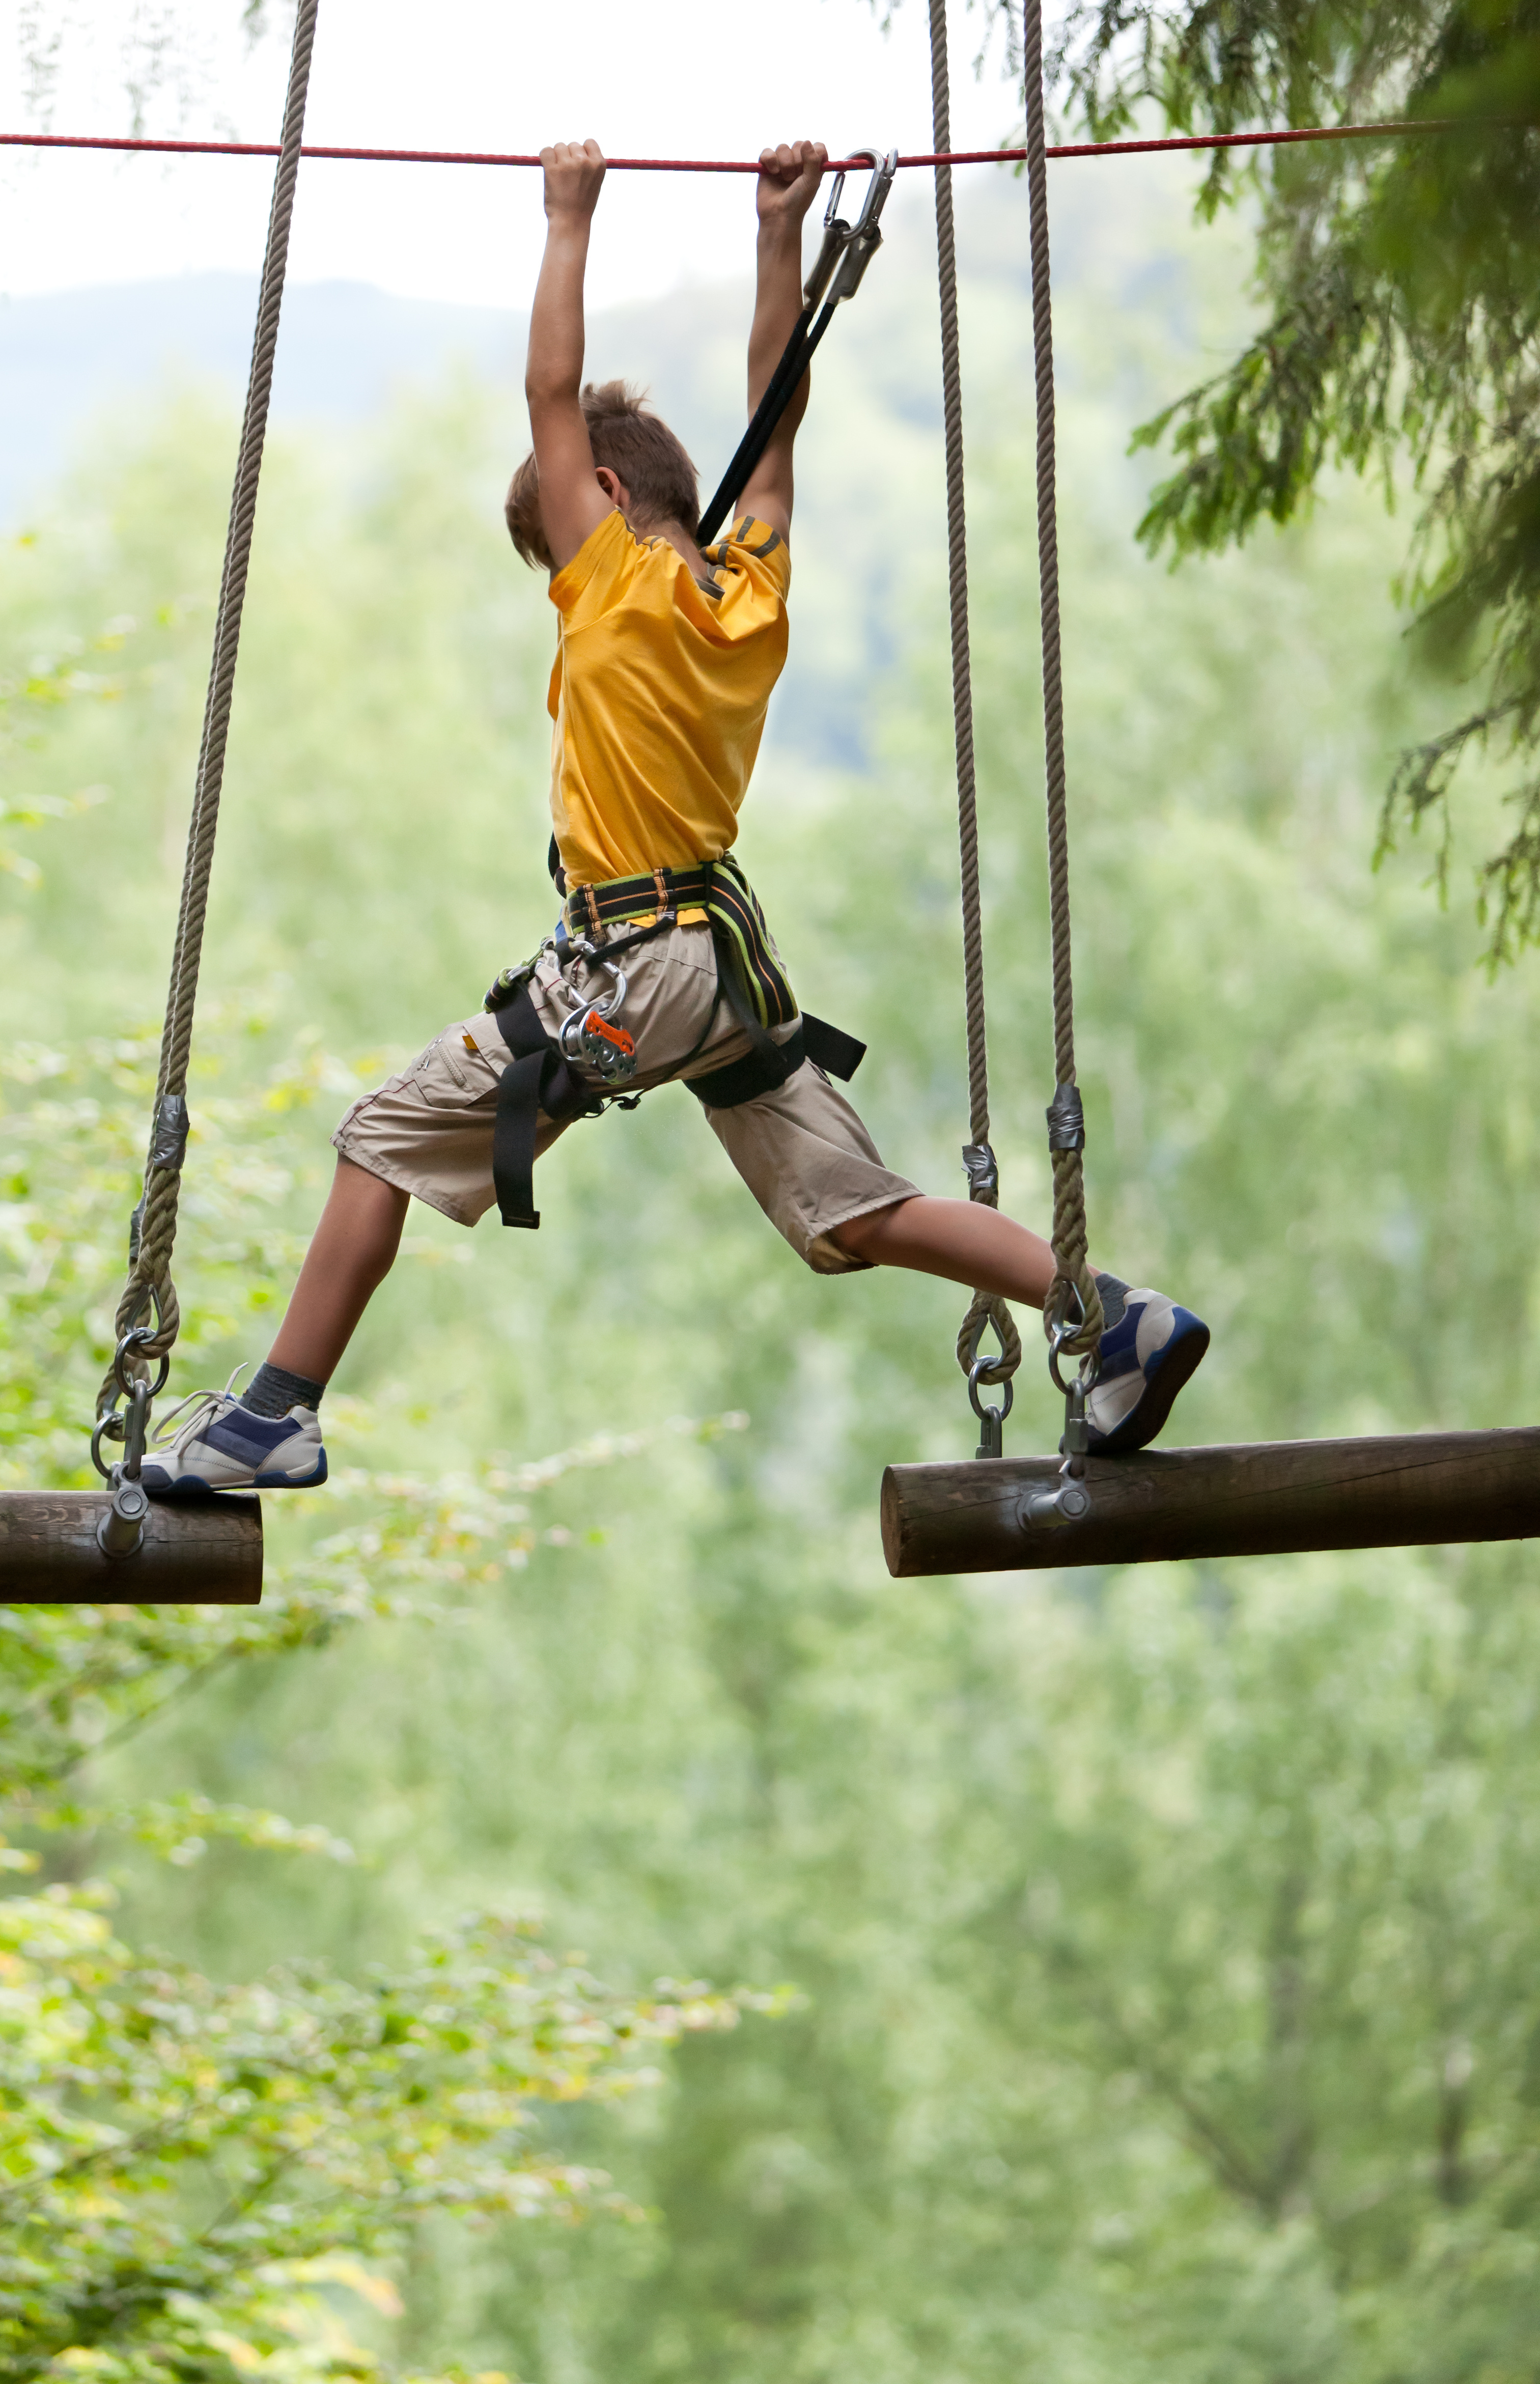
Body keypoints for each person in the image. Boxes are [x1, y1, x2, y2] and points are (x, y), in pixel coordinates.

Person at [141, 138, 1208, 1498]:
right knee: (850, 1214)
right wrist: (780, 239)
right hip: (721, 968)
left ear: (602, 502)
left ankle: (275, 1412)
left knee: (380, 1137)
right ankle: (1112, 1314)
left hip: (639, 965)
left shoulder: (614, 585)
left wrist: (567, 215)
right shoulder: (744, 589)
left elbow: (547, 390)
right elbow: (777, 425)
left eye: (559, 534)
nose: (555, 567)